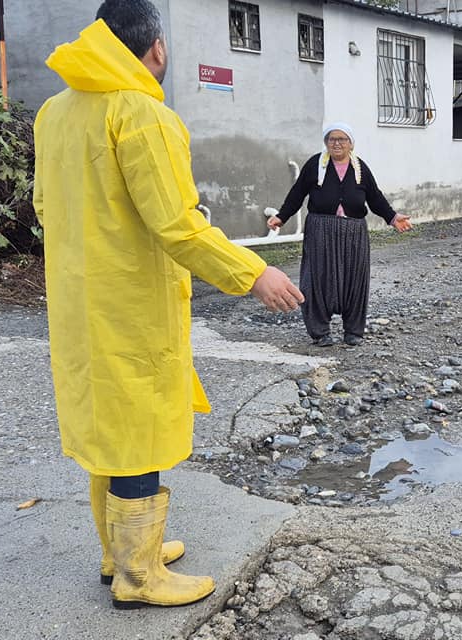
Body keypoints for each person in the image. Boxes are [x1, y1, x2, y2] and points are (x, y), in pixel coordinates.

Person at [32, 0, 304, 609]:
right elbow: (177, 225)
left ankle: (121, 552)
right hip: (130, 302)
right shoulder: (143, 114)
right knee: (137, 430)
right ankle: (138, 578)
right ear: (156, 48)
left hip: (79, 302)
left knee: (108, 424)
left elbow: (46, 209)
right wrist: (253, 273)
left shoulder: (53, 113)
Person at [269, 124, 412, 347]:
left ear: (350, 144)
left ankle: (353, 331)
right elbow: (298, 192)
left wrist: (393, 217)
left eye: (342, 139)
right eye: (332, 139)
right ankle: (320, 332)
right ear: (326, 143)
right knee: (317, 277)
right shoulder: (315, 164)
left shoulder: (360, 167)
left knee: (354, 278)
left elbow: (374, 197)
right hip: (320, 229)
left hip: (353, 232)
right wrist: (282, 216)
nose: (337, 143)